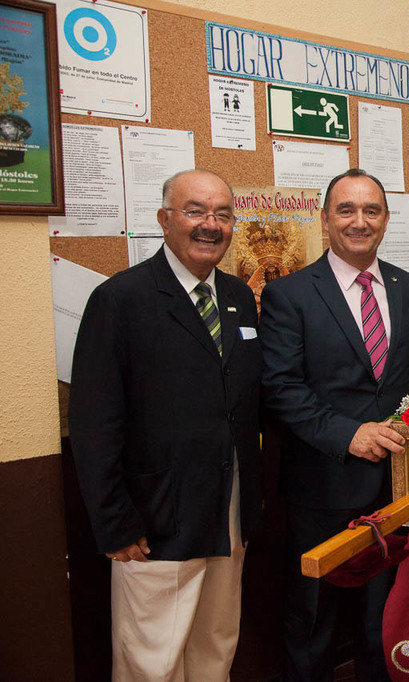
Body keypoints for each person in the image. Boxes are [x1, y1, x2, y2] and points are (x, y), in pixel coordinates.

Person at [69, 169, 263, 681]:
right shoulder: (121, 300)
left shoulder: (240, 298)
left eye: (223, 214)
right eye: (195, 211)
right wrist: (114, 522)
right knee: (151, 661)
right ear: (164, 219)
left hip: (229, 513)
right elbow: (94, 422)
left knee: (215, 648)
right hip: (156, 523)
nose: (211, 225)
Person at [260, 168, 409, 681]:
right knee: (313, 623)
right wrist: (348, 434)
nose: (360, 222)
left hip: (396, 487)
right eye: (347, 210)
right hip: (322, 488)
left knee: (385, 621)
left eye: (372, 211)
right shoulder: (289, 294)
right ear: (325, 220)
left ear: (385, 220)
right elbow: (282, 388)